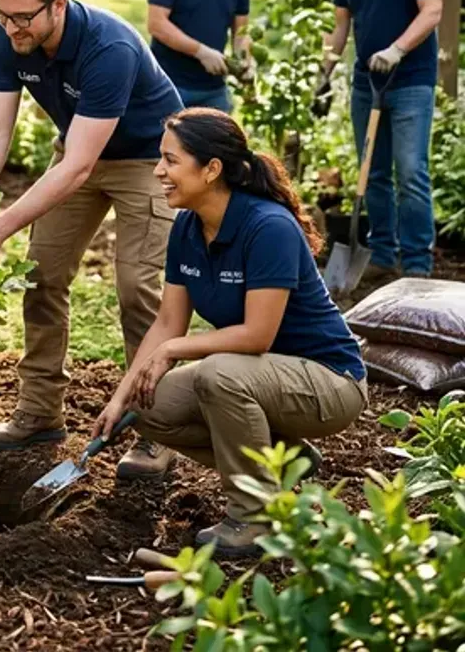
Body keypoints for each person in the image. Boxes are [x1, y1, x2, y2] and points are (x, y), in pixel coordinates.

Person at [0, 0, 182, 476]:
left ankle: (158, 427)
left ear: (59, 4)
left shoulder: (109, 48)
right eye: (2, 15)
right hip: (78, 150)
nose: (11, 29)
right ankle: (39, 411)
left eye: (23, 17)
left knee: (137, 288)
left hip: (149, 159)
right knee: (41, 275)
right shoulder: (9, 36)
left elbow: (78, 167)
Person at [93, 109, 367, 556]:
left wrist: (179, 349)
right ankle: (287, 462)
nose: (158, 171)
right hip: (262, 377)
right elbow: (167, 323)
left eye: (170, 160)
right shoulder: (187, 226)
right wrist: (121, 395)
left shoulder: (267, 227)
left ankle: (254, 517)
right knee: (147, 403)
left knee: (217, 374)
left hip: (329, 381)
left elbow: (258, 335)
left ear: (211, 169)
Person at [322, 0, 443, 279]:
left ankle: (417, 264)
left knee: (410, 171)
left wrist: (397, 50)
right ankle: (382, 253)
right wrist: (323, 71)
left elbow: (432, 11)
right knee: (371, 171)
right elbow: (341, 26)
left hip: (410, 81)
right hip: (366, 83)